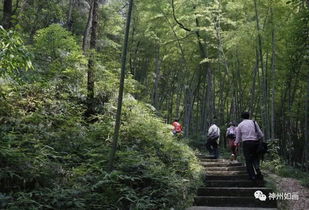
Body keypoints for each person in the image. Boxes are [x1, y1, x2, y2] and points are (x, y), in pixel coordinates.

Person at [235, 112, 264, 181]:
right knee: (255, 158)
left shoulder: (240, 125)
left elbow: (238, 137)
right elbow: (260, 133)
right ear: (249, 116)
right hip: (255, 142)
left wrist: (236, 144)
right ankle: (258, 171)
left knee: (248, 160)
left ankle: (252, 176)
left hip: (246, 143)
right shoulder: (254, 122)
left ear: (242, 117)